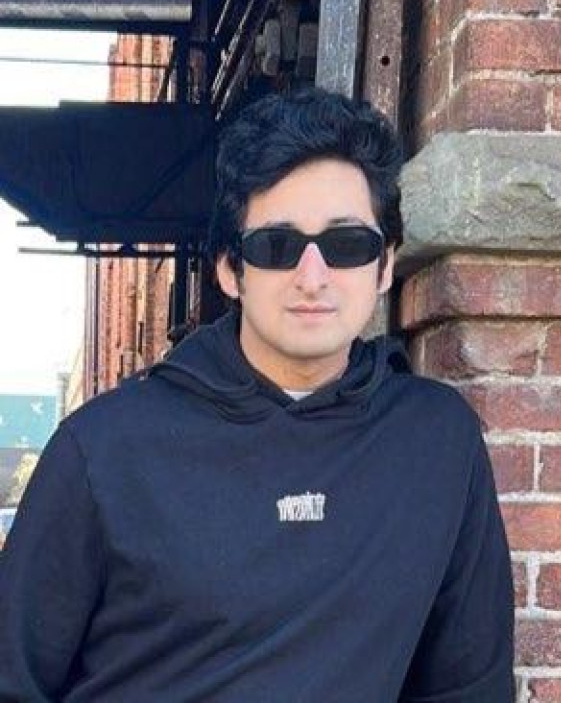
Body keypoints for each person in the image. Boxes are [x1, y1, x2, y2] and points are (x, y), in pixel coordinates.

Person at [0, 87, 515, 702]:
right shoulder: (103, 451)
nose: (312, 277)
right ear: (229, 268)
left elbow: (469, 686)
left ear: (384, 265)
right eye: (277, 246)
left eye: (346, 245)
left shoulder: (437, 445)